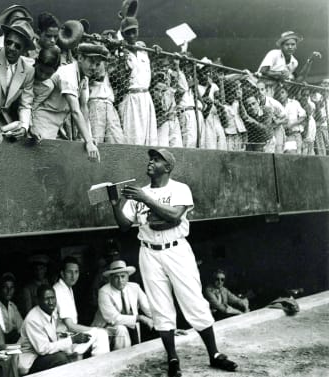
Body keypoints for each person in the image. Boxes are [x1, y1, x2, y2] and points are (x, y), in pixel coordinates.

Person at [110, 148, 238, 376]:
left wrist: (146, 199)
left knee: (193, 301)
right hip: (149, 251)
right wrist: (114, 203)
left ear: (167, 167)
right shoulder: (139, 192)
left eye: (157, 159)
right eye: (151, 158)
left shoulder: (179, 189)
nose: (151, 161)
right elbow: (123, 226)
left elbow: (174, 216)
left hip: (176, 249)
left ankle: (214, 354)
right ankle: (172, 359)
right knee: (160, 307)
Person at [30, 42, 102, 162]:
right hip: (42, 121)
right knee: (40, 162)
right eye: (91, 62)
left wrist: (88, 137)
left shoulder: (84, 77)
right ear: (80, 58)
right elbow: (75, 110)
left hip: (56, 124)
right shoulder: (68, 73)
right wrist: (88, 142)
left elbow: (83, 107)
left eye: (97, 64)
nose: (94, 67)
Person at [18, 285, 90, 375]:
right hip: (30, 361)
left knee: (73, 353)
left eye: (53, 298)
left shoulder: (49, 311)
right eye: (47, 299)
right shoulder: (33, 319)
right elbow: (43, 349)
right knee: (61, 358)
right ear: (38, 301)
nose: (51, 302)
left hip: (42, 355)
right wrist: (72, 340)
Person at [53, 256, 110, 357]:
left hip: (69, 334)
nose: (73, 276)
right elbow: (70, 325)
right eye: (69, 272)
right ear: (62, 273)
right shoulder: (59, 290)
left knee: (100, 332)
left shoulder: (67, 288)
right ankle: (100, 365)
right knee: (101, 334)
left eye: (76, 272)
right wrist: (93, 330)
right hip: (62, 337)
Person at [92, 260, 153, 350]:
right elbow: (113, 318)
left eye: (123, 276)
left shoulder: (134, 287)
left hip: (131, 329)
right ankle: (121, 359)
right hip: (106, 330)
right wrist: (139, 318)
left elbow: (148, 309)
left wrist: (166, 326)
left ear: (128, 276)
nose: (120, 280)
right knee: (121, 329)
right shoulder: (104, 291)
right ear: (110, 278)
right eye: (116, 277)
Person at [118, 17, 158, 146]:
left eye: (134, 31)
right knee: (134, 137)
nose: (131, 35)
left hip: (146, 96)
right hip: (131, 97)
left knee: (149, 137)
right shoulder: (120, 51)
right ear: (123, 34)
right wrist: (120, 53)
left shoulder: (144, 50)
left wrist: (156, 50)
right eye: (128, 33)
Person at [0, 20, 35, 140]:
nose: (11, 48)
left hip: (6, 122)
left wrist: (24, 126)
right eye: (9, 42)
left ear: (24, 50)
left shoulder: (28, 70)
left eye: (17, 46)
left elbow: (25, 104)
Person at [258, 31, 321, 96]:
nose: (290, 47)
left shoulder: (294, 62)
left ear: (296, 46)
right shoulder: (274, 53)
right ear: (281, 46)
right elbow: (263, 71)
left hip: (277, 91)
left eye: (293, 44)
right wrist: (280, 73)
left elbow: (299, 79)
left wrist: (310, 61)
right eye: (287, 44)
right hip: (263, 87)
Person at [256, 80, 288, 153]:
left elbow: (286, 118)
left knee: (278, 153)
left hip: (277, 130)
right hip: (264, 132)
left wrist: (276, 122)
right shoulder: (256, 103)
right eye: (258, 90)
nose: (260, 92)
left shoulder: (272, 103)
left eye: (262, 89)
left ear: (266, 90)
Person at [274, 85, 306, 154]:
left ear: (287, 93)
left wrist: (292, 124)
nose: (280, 95)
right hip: (282, 135)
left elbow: (303, 116)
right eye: (278, 93)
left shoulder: (294, 103)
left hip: (293, 134)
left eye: (282, 92)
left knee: (293, 155)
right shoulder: (276, 106)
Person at [0, 272, 24, 343]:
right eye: (5, 287)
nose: (9, 291)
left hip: (13, 341)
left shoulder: (12, 306)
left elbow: (21, 327)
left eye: (11, 288)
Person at [222, 79, 247, 151]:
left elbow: (244, 115)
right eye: (230, 93)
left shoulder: (237, 103)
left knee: (240, 152)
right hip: (229, 134)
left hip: (239, 133)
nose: (232, 96)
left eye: (233, 93)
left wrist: (240, 100)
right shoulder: (224, 106)